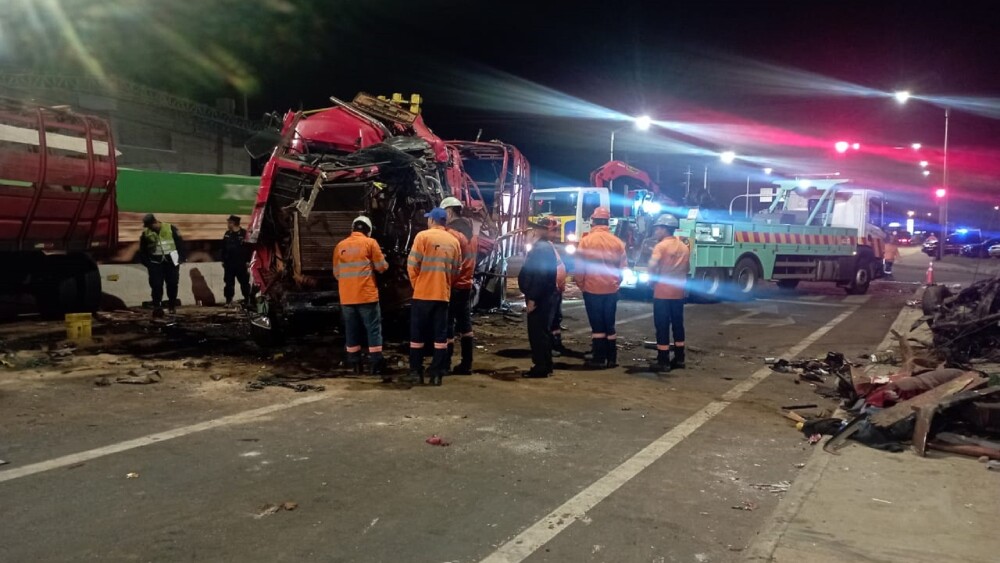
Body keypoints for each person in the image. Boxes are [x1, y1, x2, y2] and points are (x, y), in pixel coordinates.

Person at [407, 207, 462, 386]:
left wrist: (418, 284)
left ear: (432, 221)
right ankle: (437, 373)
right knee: (440, 337)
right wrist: (444, 283)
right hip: (442, 295)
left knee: (418, 335)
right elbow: (456, 270)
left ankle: (416, 371)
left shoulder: (422, 237)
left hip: (422, 295)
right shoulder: (454, 241)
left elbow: (412, 265)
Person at [333, 216, 389, 379]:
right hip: (367, 296)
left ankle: (355, 364)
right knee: (373, 330)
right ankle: (376, 364)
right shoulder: (370, 243)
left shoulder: (340, 246)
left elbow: (337, 273)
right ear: (368, 231)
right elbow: (381, 267)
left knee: (351, 330)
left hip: (347, 297)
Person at [574, 206, 627, 368]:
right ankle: (612, 358)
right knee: (609, 324)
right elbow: (623, 269)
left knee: (597, 325)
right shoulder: (617, 242)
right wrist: (616, 283)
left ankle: (599, 357)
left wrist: (581, 285)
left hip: (592, 289)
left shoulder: (586, 241)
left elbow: (579, 269)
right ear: (608, 222)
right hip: (611, 289)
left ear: (593, 221)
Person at [518, 216, 563, 378]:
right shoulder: (542, 247)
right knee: (542, 331)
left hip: (541, 298)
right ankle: (546, 364)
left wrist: (533, 299)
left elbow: (540, 276)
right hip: (546, 297)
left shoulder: (541, 249)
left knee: (538, 333)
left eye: (533, 229)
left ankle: (541, 366)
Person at [647, 214, 690, 372]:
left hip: (662, 293)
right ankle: (679, 359)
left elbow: (652, 265)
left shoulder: (661, 246)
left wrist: (651, 280)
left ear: (665, 229)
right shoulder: (683, 247)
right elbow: (687, 269)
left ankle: (663, 360)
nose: (656, 231)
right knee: (678, 326)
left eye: (658, 228)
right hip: (678, 293)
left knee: (662, 326)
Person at [440, 196, 476, 375]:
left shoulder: (451, 234)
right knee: (465, 325)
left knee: (447, 325)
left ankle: (445, 364)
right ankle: (466, 364)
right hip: (466, 284)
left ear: (448, 212)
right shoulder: (472, 234)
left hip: (453, 284)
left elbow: (449, 262)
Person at [138, 213, 184, 316]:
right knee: (156, 285)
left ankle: (171, 305)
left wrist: (179, 259)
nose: (149, 228)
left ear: (155, 222)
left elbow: (180, 244)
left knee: (172, 284)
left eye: (150, 225)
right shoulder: (146, 233)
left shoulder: (171, 228)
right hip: (155, 263)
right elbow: (143, 251)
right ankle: (157, 307)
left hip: (172, 262)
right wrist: (148, 264)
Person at [221, 215, 251, 306]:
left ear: (233, 223)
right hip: (229, 263)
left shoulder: (244, 234)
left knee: (244, 282)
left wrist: (248, 261)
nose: (228, 224)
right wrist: (223, 259)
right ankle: (228, 300)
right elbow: (223, 248)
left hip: (241, 263)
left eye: (229, 222)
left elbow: (249, 249)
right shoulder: (227, 234)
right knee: (229, 283)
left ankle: (247, 299)